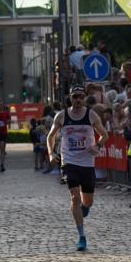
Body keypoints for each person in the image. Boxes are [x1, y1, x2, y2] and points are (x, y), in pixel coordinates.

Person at [46, 86, 108, 252]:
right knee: (74, 197)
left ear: (85, 97)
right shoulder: (62, 116)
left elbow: (105, 134)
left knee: (87, 201)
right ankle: (81, 236)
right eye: (75, 97)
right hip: (69, 161)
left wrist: (98, 145)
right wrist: (51, 153)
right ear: (70, 98)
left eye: (81, 97)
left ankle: (85, 208)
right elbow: (50, 136)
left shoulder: (91, 115)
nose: (78, 100)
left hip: (87, 162)